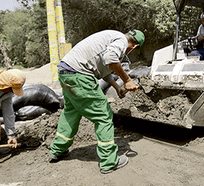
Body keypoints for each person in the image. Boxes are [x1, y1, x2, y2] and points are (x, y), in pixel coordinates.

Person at [48, 29, 145, 174]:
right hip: (80, 76)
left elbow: (104, 71)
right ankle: (109, 162)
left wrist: (117, 87)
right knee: (104, 116)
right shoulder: (121, 41)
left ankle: (57, 150)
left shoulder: (110, 36)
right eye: (132, 50)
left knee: (71, 112)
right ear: (135, 47)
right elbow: (112, 60)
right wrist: (128, 80)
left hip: (65, 72)